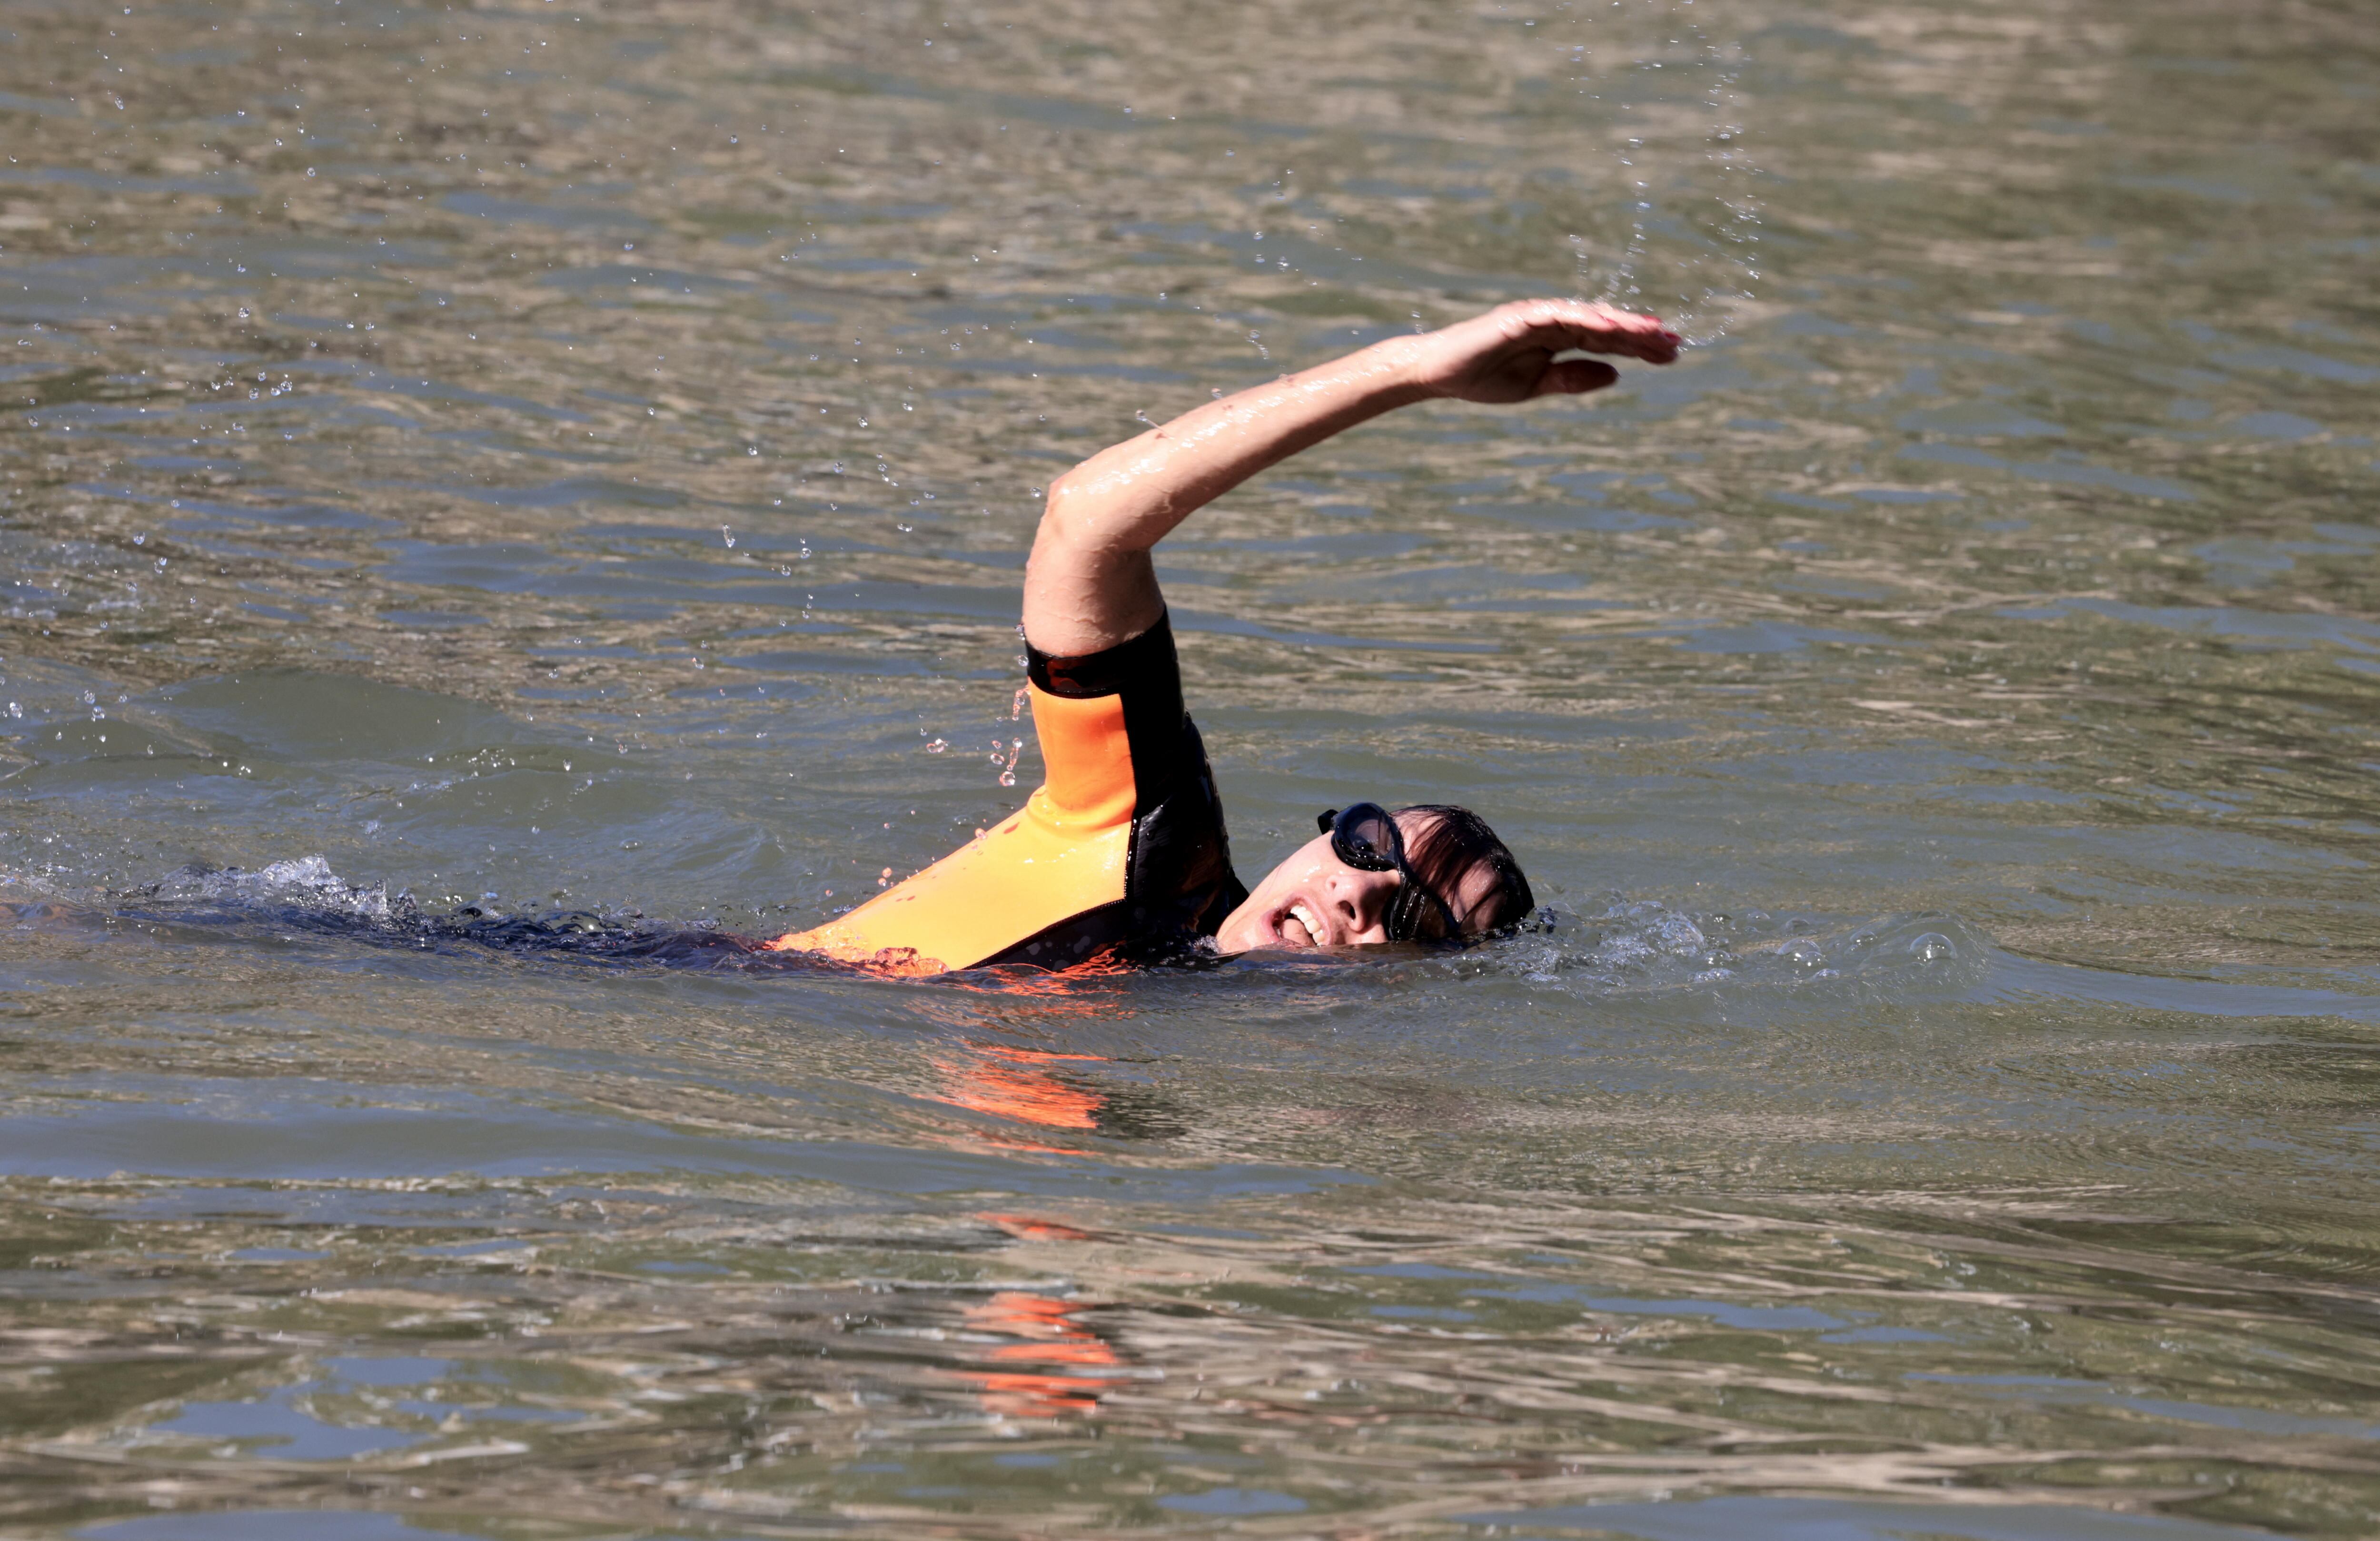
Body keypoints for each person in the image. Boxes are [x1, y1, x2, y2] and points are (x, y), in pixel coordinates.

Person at [765, 298, 1681, 975]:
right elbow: (1088, 524)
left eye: (1409, 918)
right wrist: (1409, 371)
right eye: (1369, 845)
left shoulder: (1201, 1034)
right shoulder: (1152, 846)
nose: (1356, 892)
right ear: (1325, 835)